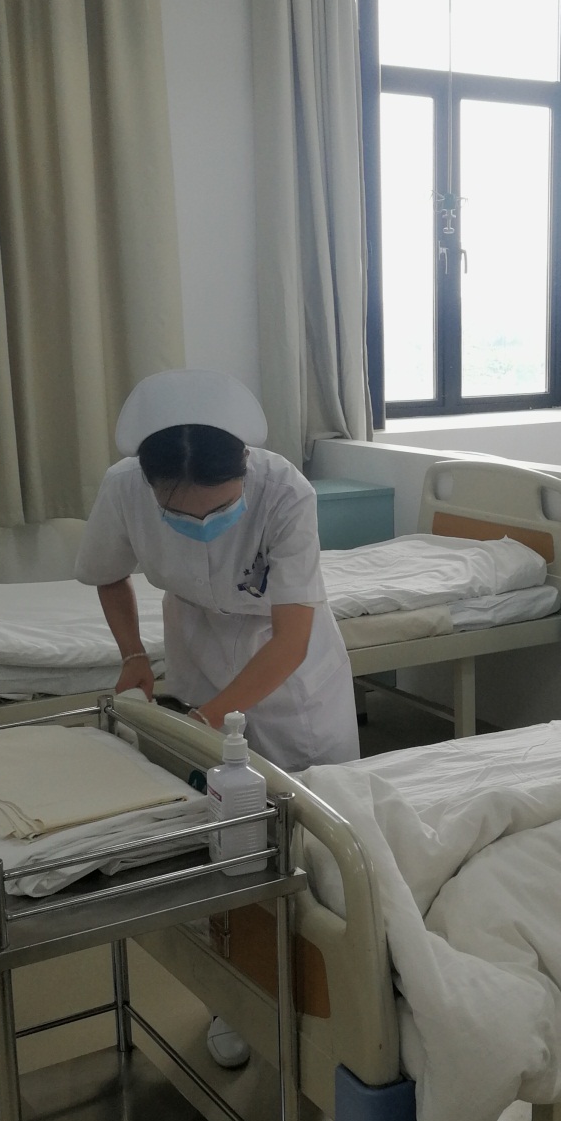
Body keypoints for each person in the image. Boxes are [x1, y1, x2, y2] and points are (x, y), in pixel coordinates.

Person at [75, 369, 359, 1067]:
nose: (202, 525)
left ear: (243, 469)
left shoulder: (285, 491)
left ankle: (334, 992)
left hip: (290, 675)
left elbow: (291, 638)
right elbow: (107, 573)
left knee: (321, 834)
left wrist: (204, 717)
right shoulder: (123, 488)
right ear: (150, 485)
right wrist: (133, 655)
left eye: (219, 509)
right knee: (226, 837)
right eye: (182, 514)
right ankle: (238, 994)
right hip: (198, 647)